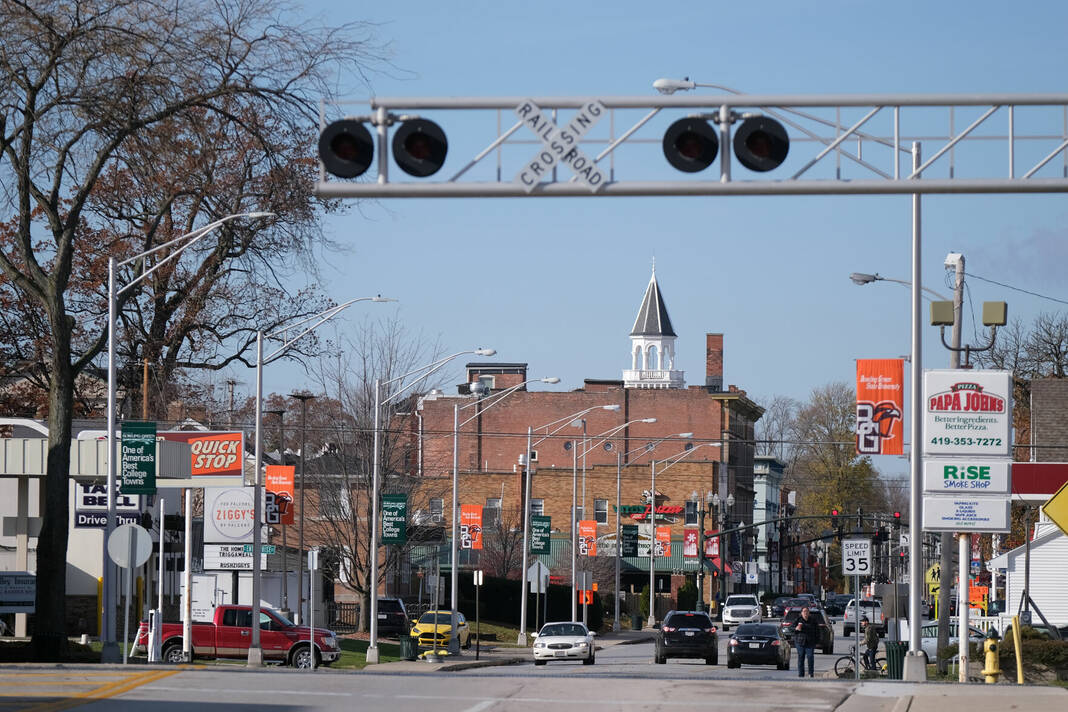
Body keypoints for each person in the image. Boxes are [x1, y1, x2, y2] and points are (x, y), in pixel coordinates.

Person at [793, 606, 821, 678]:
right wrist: (796, 628)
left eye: (807, 611)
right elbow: (791, 628)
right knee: (801, 657)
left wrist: (817, 641)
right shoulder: (798, 620)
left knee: (810, 657)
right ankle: (801, 674)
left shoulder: (813, 620)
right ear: (801, 613)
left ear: (809, 613)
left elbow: (817, 631)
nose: (805, 613)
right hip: (800, 642)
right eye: (804, 611)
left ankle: (811, 674)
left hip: (810, 642)